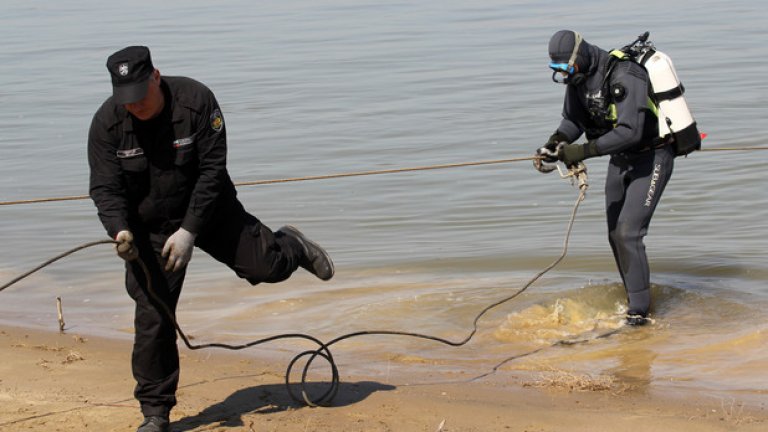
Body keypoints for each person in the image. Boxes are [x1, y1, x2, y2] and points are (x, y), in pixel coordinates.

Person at [88, 46, 335, 432]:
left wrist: (190, 231)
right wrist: (119, 230)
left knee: (266, 267)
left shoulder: (197, 100)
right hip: (149, 229)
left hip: (210, 208)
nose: (134, 106)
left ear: (155, 76)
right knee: (154, 317)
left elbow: (212, 170)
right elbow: (105, 188)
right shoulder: (106, 124)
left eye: (140, 96)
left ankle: (292, 245)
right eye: (126, 100)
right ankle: (155, 413)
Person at [535, 30, 675, 326]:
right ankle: (635, 301)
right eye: (557, 70)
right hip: (620, 159)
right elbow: (573, 121)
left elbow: (630, 131)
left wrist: (582, 152)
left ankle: (639, 317)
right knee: (615, 236)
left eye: (567, 68)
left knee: (629, 234)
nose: (564, 75)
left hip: (652, 156)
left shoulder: (625, 74)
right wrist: (556, 142)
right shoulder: (579, 78)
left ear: (581, 56)